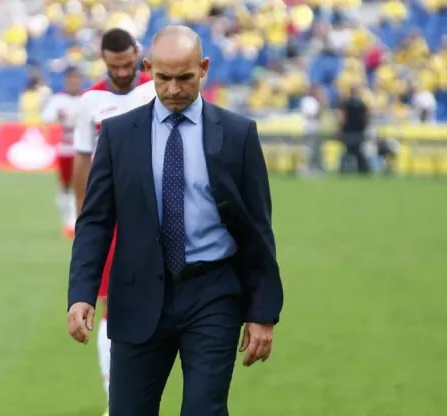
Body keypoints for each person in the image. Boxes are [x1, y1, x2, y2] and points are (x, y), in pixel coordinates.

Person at [67, 26, 284, 416]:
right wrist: (82, 292)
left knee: (205, 409)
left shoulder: (238, 135)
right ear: (148, 68)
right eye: (162, 78)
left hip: (213, 291)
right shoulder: (118, 135)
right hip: (137, 294)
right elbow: (96, 222)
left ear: (203, 68)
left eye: (184, 78)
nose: (172, 89)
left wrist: (262, 313)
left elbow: (258, 230)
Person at [70, 28, 156, 415]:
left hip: (157, 211)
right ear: (104, 61)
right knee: (111, 305)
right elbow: (82, 161)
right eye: (114, 66)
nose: (122, 72)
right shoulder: (91, 101)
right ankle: (114, 402)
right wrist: (83, 219)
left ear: (137, 54)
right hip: (114, 214)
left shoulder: (156, 89)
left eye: (127, 64)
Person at [42, 66, 84, 238]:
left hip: (84, 150)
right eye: (71, 78)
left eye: (76, 78)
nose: (74, 82)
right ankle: (66, 219)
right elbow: (46, 117)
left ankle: (73, 222)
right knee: (65, 186)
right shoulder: (59, 99)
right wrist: (58, 115)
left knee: (80, 186)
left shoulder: (87, 98)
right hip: (66, 149)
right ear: (66, 81)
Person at [338, 85, 370, 174]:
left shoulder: (346, 103)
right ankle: (363, 169)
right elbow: (366, 118)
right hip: (358, 131)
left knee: (348, 150)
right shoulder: (361, 104)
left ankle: (343, 170)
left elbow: (343, 118)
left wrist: (340, 129)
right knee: (356, 151)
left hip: (349, 130)